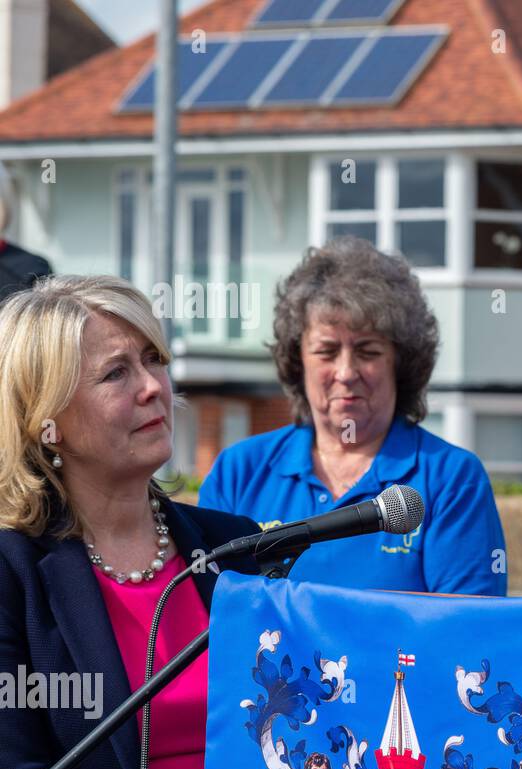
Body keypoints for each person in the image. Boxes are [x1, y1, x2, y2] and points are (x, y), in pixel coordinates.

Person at [0, 276, 263, 769]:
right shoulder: (12, 573)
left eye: (154, 360)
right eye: (116, 373)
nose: (153, 388)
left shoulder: (233, 547)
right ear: (48, 420)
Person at [200, 236, 506, 595]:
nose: (346, 372)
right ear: (298, 362)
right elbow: (211, 615)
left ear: (400, 363)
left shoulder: (451, 479)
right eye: (326, 351)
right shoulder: (238, 472)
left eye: (367, 351)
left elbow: (466, 634)